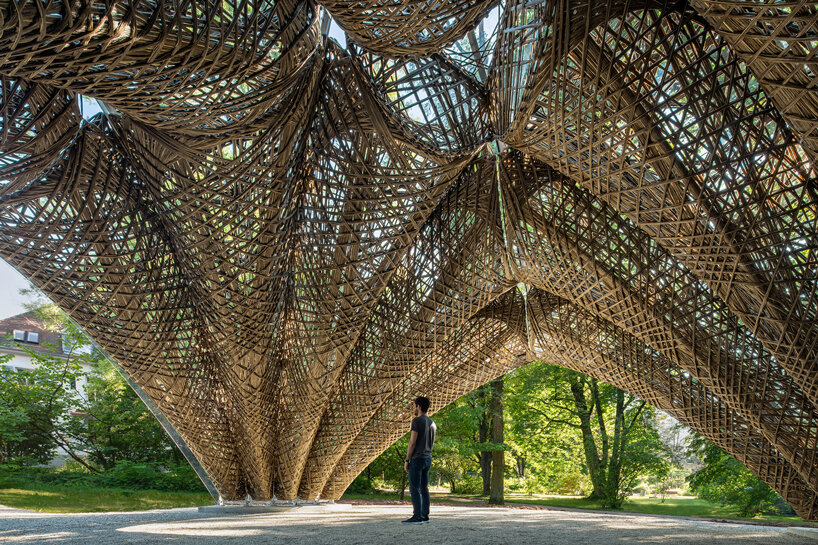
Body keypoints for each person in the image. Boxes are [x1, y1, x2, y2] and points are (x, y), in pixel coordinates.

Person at [402, 396, 436, 524]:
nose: (414, 408)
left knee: (414, 488)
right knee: (424, 488)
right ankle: (425, 516)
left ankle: (417, 517)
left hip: (417, 459)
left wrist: (407, 460)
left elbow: (412, 442)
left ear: (419, 406)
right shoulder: (433, 423)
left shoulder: (417, 421)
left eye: (414, 406)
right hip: (428, 458)